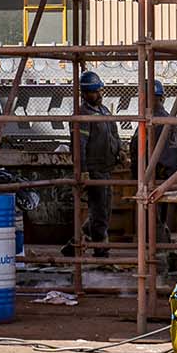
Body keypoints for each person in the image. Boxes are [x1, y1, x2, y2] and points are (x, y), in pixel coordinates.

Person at [75, 70, 121, 257]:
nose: (99, 95)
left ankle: (75, 242)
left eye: (99, 90)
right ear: (85, 94)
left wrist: (120, 152)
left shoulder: (103, 111)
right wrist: (83, 170)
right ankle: (100, 250)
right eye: (95, 92)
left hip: (106, 168)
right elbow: (80, 145)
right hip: (94, 170)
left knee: (104, 209)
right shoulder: (83, 114)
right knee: (100, 211)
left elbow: (114, 134)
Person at [135, 79, 177, 245]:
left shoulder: (155, 122)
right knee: (157, 217)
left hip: (155, 175)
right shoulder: (164, 119)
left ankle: (161, 256)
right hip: (161, 174)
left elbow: (160, 153)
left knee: (154, 218)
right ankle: (163, 253)